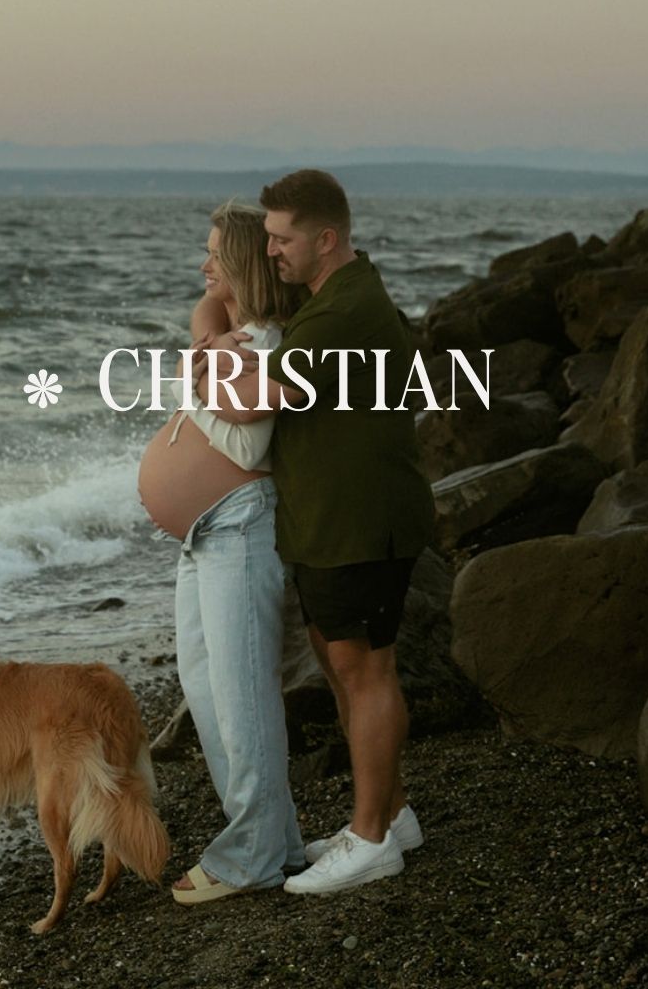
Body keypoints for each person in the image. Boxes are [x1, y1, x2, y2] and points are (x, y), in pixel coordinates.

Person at [195, 169, 435, 895]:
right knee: (342, 667)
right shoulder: (337, 293)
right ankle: (389, 817)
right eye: (265, 238)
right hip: (332, 522)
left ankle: (370, 840)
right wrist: (218, 332)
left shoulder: (342, 313)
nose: (269, 252)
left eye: (281, 238)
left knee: (366, 672)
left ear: (325, 239)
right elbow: (221, 296)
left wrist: (210, 359)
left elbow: (247, 405)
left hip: (360, 520)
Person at [135, 201, 307, 904]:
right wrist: (207, 352)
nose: (204, 265)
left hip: (239, 527)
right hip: (204, 534)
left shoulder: (264, 343)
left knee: (242, 699)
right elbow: (204, 310)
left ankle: (252, 857)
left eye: (215, 254)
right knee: (206, 689)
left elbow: (246, 443)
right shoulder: (232, 336)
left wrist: (203, 374)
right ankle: (278, 840)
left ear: (242, 264)